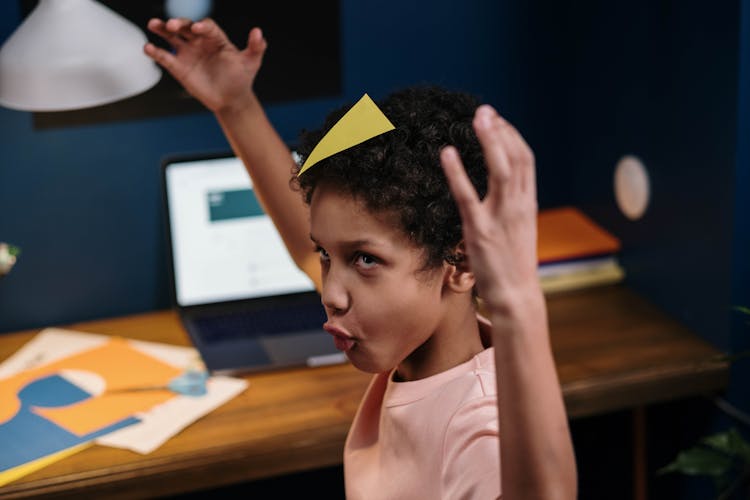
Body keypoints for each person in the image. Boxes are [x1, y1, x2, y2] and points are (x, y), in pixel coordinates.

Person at [145, 18, 576, 500]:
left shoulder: (480, 430)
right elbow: (306, 239)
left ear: (461, 263)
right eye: (328, 255)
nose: (330, 293)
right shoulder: (412, 340)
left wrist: (520, 303)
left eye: (365, 260)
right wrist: (235, 105)